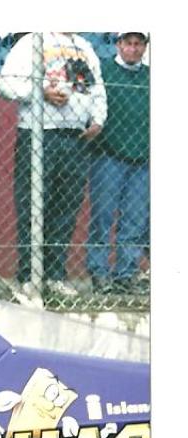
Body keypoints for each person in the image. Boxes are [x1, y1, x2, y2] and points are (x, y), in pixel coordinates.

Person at [0, 32, 106, 304]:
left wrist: (98, 119)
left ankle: (55, 276)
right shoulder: (31, 41)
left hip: (76, 137)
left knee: (67, 208)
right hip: (38, 134)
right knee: (33, 205)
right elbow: (5, 85)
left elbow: (98, 89)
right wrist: (41, 92)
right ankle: (28, 276)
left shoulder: (84, 46)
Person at [86, 31, 149, 294]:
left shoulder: (151, 76)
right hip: (108, 155)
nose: (133, 49)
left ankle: (126, 274)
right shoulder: (104, 71)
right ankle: (99, 273)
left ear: (144, 47)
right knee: (102, 217)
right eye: (128, 43)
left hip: (143, 159)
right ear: (119, 44)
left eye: (138, 44)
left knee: (135, 220)